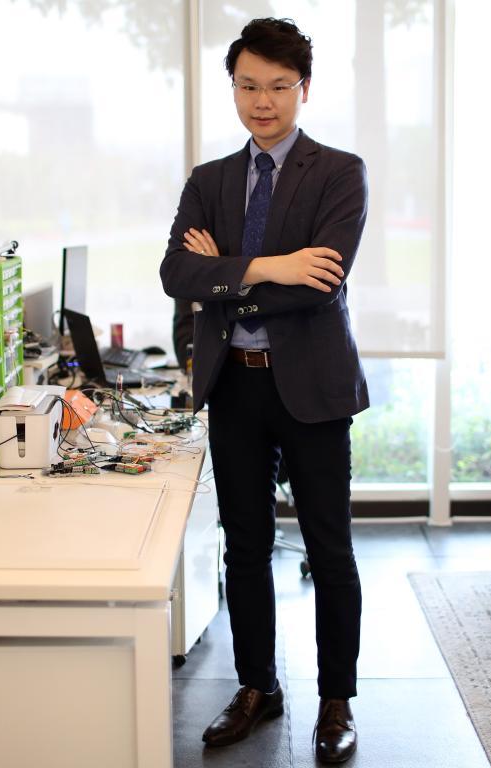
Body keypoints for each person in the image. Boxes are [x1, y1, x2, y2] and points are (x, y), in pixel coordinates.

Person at [159, 17, 369, 764]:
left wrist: (224, 275)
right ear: (234, 87)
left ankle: (337, 699)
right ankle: (257, 687)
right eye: (249, 85)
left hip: (313, 389)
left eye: (279, 86)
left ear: (303, 89)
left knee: (329, 547)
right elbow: (175, 274)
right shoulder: (209, 181)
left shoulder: (339, 172)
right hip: (235, 390)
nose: (263, 102)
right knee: (244, 548)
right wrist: (272, 266)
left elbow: (321, 284)